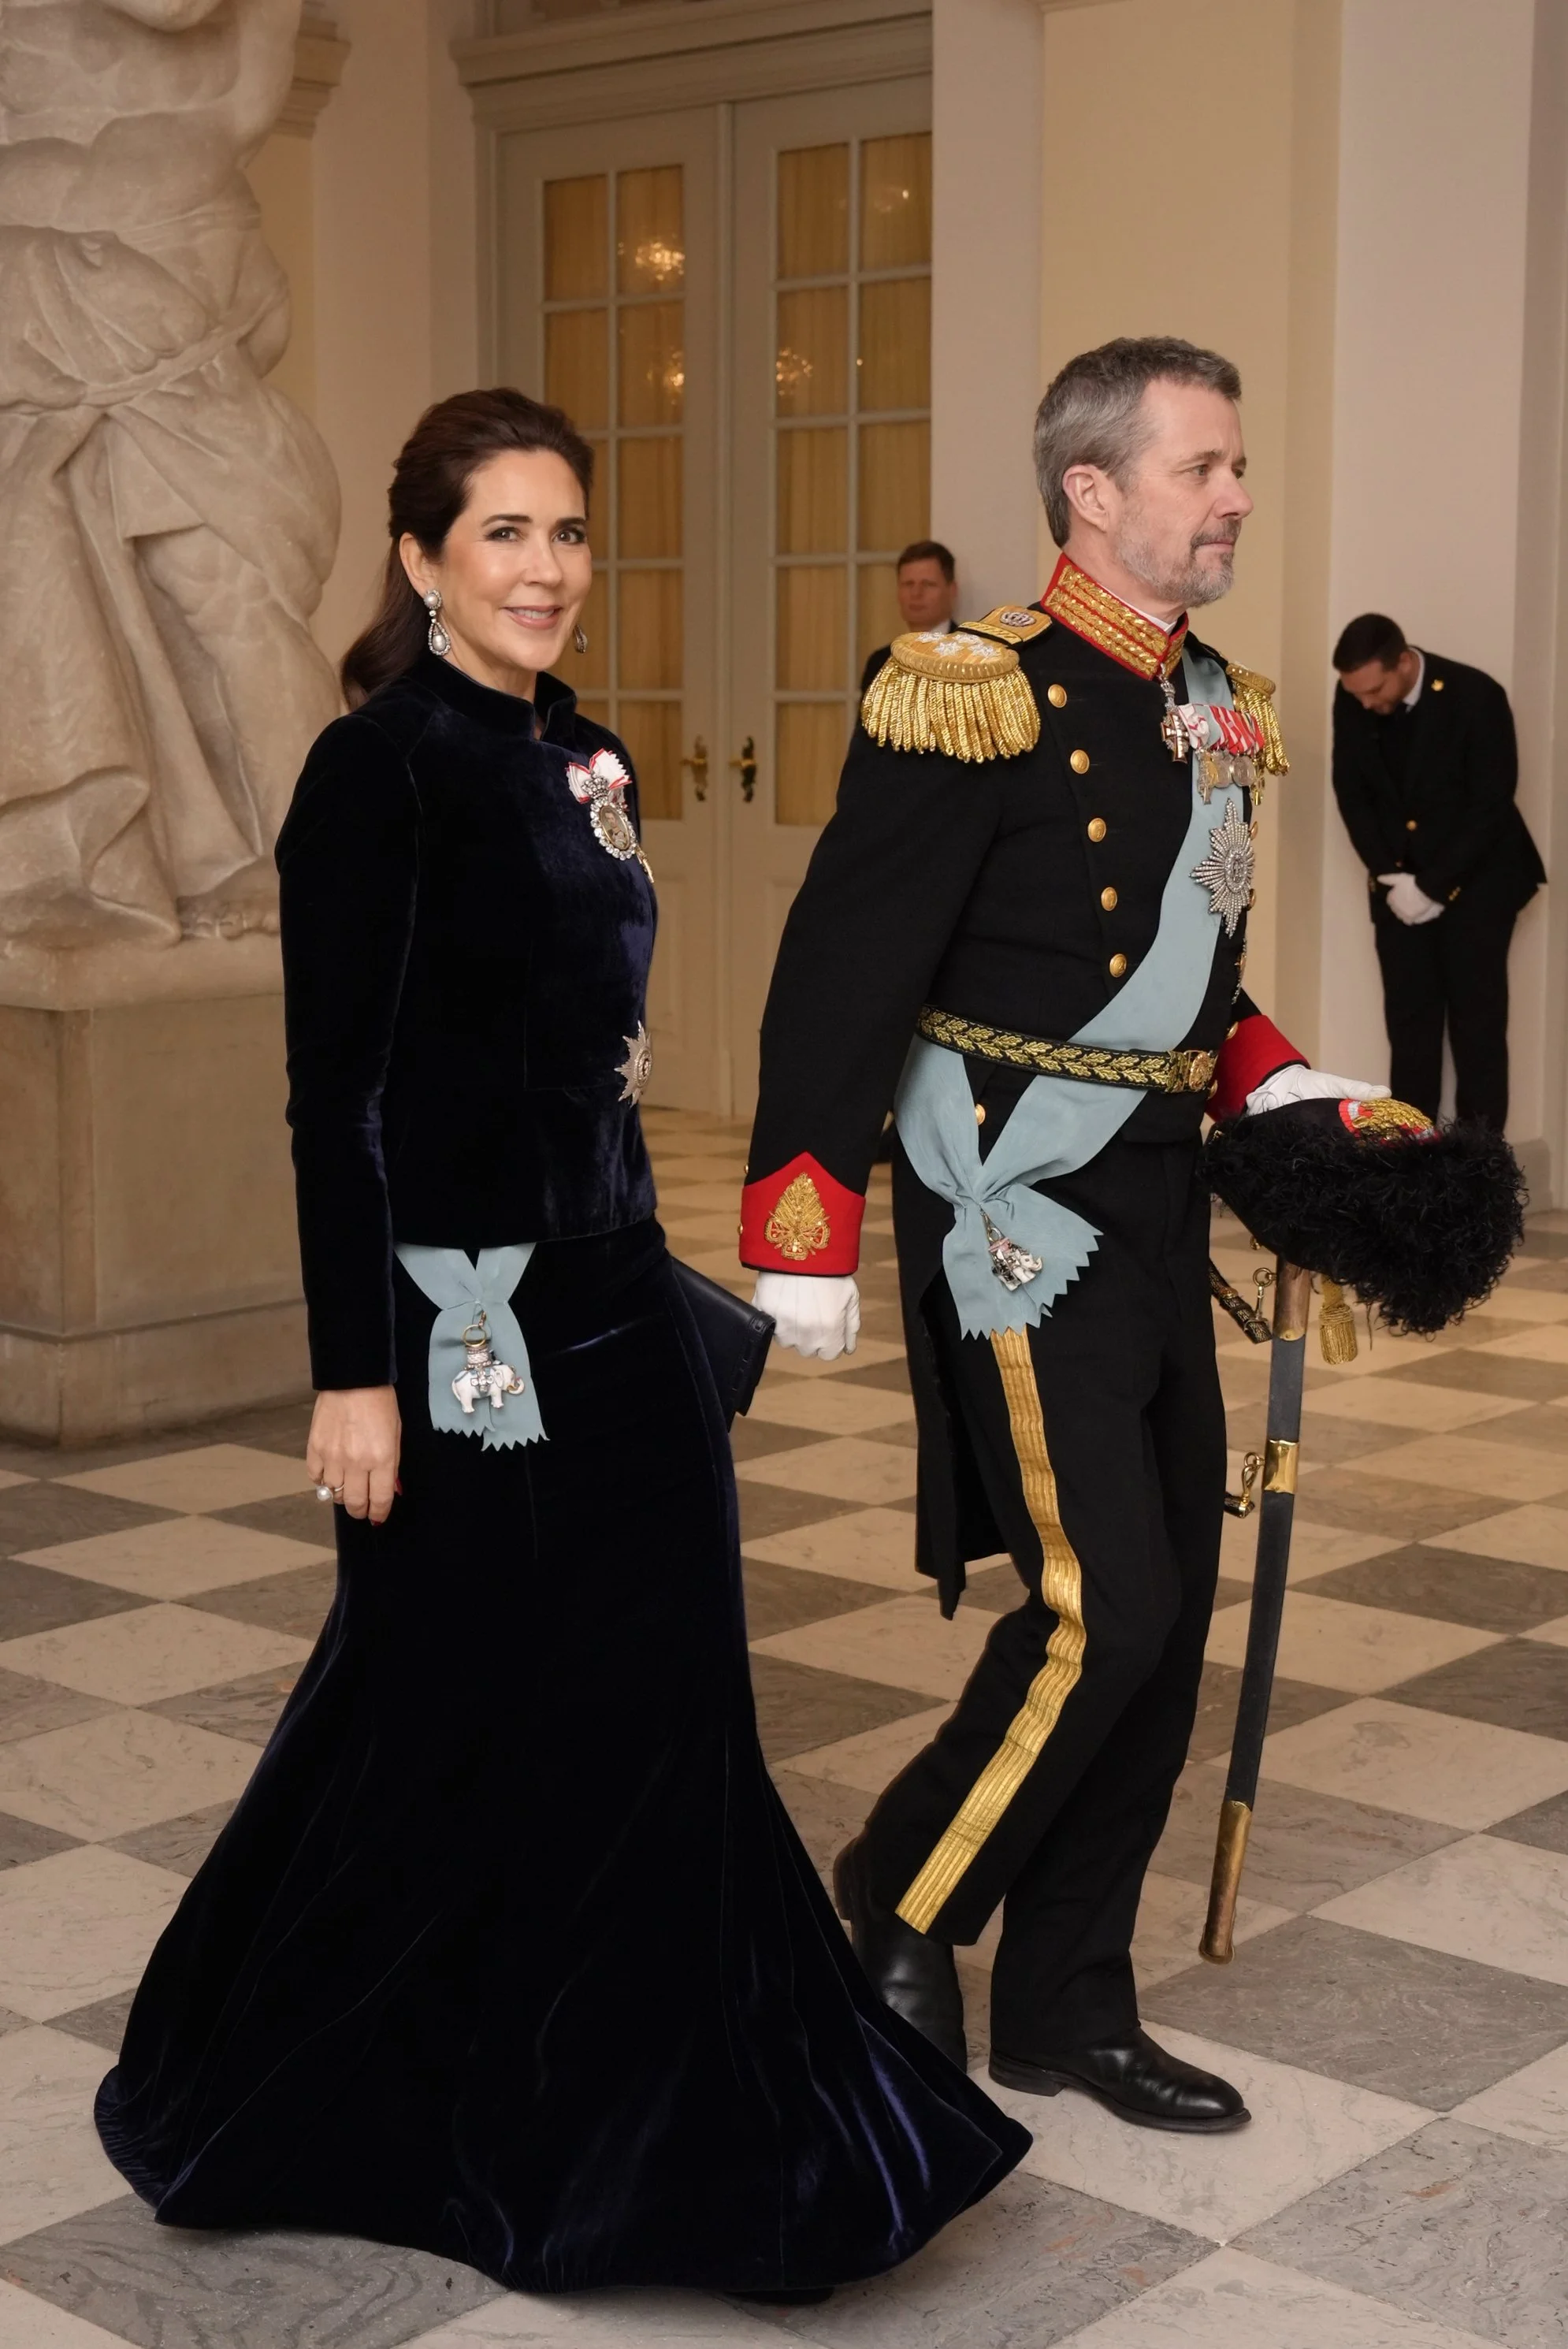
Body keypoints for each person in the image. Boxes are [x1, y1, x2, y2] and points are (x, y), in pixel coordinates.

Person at [94, 388, 1027, 2301]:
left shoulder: (582, 755)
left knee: (660, 1715)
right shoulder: (380, 771)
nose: (546, 568)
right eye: (504, 532)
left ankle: (673, 2111)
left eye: (569, 532)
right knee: (433, 1715)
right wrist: (353, 1371)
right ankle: (331, 2068)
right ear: (423, 554)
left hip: (617, 1305)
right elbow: (331, 1097)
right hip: (463, 1331)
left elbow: (576, 1067)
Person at [741, 336, 1386, 2135]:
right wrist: (802, 1221)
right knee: (1101, 1603)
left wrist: (1305, 1116)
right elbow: (841, 973)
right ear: (1090, 491)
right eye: (1201, 467)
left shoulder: (1218, 701)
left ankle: (1065, 1995)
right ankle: (906, 1885)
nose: (1236, 495)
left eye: (1236, 463)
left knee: (1166, 1615)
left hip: (1156, 1194)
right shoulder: (966, 689)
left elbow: (1198, 988)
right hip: (1011, 1196)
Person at [1332, 612, 1544, 1129]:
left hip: (1478, 886)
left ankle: (1480, 1183)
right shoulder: (1354, 696)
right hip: (1397, 887)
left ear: (1404, 662)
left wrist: (1432, 886)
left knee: (1478, 1032)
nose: (1366, 704)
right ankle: (1414, 1181)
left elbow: (1491, 805)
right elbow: (1352, 795)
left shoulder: (1476, 696)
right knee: (1410, 1032)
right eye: (1356, 693)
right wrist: (1389, 877)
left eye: (1375, 689)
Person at [860, 539, 960, 691]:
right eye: (908, 584)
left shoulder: (974, 659)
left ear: (952, 590)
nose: (916, 594)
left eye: (927, 584)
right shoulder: (880, 663)